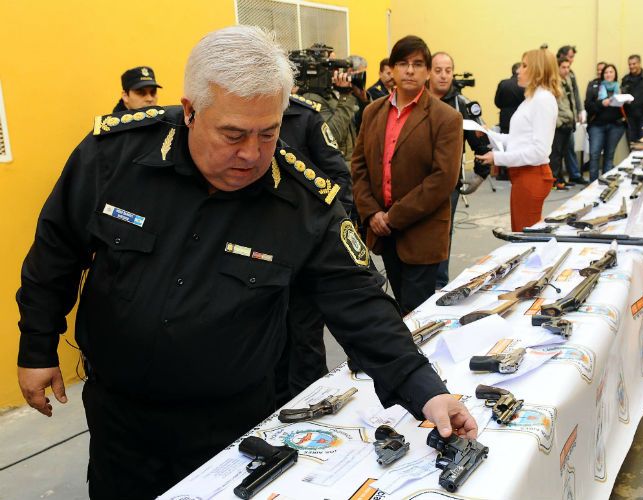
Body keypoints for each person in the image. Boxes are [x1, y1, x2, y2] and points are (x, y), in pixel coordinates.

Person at [16, 26, 476, 499]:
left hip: (232, 430)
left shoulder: (301, 201)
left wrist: (426, 389)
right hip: (119, 418)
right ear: (191, 111)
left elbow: (360, 301)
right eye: (233, 134)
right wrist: (37, 344)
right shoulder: (113, 157)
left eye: (268, 134)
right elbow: (57, 248)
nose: (251, 154)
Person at [351, 35, 463, 315]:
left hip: (421, 233)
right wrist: (372, 212)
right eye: (402, 63)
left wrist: (393, 217)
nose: (410, 70)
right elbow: (359, 166)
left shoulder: (446, 118)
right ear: (392, 69)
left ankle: (417, 360)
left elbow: (442, 180)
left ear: (426, 71)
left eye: (417, 64)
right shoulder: (372, 112)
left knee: (417, 314)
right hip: (383, 231)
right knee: (399, 309)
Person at [275, 93, 353, 406]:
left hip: (303, 255)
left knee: (305, 343)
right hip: (255, 259)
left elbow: (339, 179)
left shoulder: (304, 117)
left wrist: (324, 236)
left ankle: (314, 408)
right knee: (268, 348)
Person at [475, 47, 559, 232]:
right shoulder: (532, 98)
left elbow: (539, 151)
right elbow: (518, 139)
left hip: (532, 175)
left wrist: (497, 158)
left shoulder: (542, 100)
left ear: (537, 70)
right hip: (524, 175)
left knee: (524, 237)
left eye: (524, 65)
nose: (518, 70)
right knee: (522, 232)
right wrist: (490, 134)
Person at [428, 51, 490, 288]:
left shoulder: (462, 105)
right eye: (438, 70)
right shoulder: (417, 100)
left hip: (447, 185)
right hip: (413, 182)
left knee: (443, 234)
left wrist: (480, 174)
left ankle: (438, 285)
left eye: (448, 70)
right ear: (429, 72)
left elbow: (481, 143)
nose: (443, 76)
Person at [302, 47, 360, 164]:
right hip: (335, 166)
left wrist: (360, 95)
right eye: (332, 66)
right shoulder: (311, 97)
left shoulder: (331, 92)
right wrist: (345, 96)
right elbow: (332, 135)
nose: (338, 71)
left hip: (348, 161)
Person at [585, 63, 626, 180]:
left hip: (616, 126)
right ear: (603, 74)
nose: (608, 74)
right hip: (597, 126)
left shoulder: (620, 88)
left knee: (609, 156)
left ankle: (606, 185)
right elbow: (588, 105)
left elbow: (627, 109)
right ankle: (592, 184)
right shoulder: (595, 87)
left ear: (615, 74)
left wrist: (626, 101)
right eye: (606, 72)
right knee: (594, 154)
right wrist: (601, 103)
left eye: (611, 72)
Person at [557, 45, 586, 187]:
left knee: (570, 147)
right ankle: (559, 178)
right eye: (570, 57)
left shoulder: (570, 74)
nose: (572, 61)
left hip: (570, 117)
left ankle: (574, 175)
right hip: (560, 119)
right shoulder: (554, 76)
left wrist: (579, 111)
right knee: (558, 151)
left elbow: (575, 94)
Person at [550, 57, 578, 190]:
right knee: (555, 153)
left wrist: (574, 117)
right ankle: (554, 180)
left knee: (562, 153)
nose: (567, 70)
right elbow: (552, 104)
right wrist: (558, 122)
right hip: (559, 123)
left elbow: (571, 100)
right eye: (563, 67)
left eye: (568, 67)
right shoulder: (553, 82)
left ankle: (561, 178)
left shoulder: (568, 80)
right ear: (557, 68)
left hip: (568, 121)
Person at [494, 62, 525, 134]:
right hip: (521, 120)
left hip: (505, 120)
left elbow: (497, 102)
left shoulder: (503, 83)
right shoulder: (525, 84)